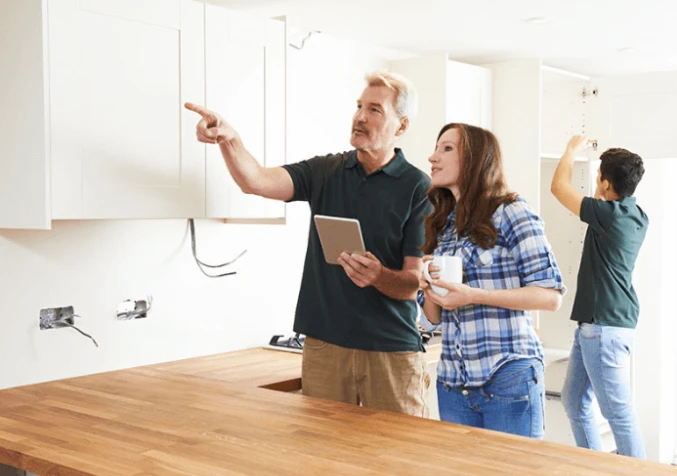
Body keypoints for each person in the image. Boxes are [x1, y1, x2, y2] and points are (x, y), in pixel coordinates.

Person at [185, 71, 432, 416]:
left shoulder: (419, 187)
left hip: (390, 350)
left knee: (397, 461)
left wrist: (378, 276)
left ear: (401, 126)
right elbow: (255, 180)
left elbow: (412, 283)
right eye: (359, 106)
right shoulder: (325, 171)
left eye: (375, 110)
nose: (360, 116)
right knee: (320, 459)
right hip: (324, 347)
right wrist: (230, 139)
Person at [418, 122, 564, 438]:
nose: (432, 157)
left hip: (507, 378)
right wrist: (429, 287)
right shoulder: (443, 223)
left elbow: (550, 295)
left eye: (446, 148)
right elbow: (432, 319)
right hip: (454, 385)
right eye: (436, 147)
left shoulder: (512, 211)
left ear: (475, 158)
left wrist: (473, 295)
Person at [551, 136, 648, 458]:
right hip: (601, 324)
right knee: (574, 400)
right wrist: (602, 186)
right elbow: (598, 199)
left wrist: (571, 150)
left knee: (618, 413)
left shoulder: (608, 214)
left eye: (599, 179)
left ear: (606, 183)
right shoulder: (635, 214)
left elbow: (559, 187)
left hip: (603, 327)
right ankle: (594, 464)